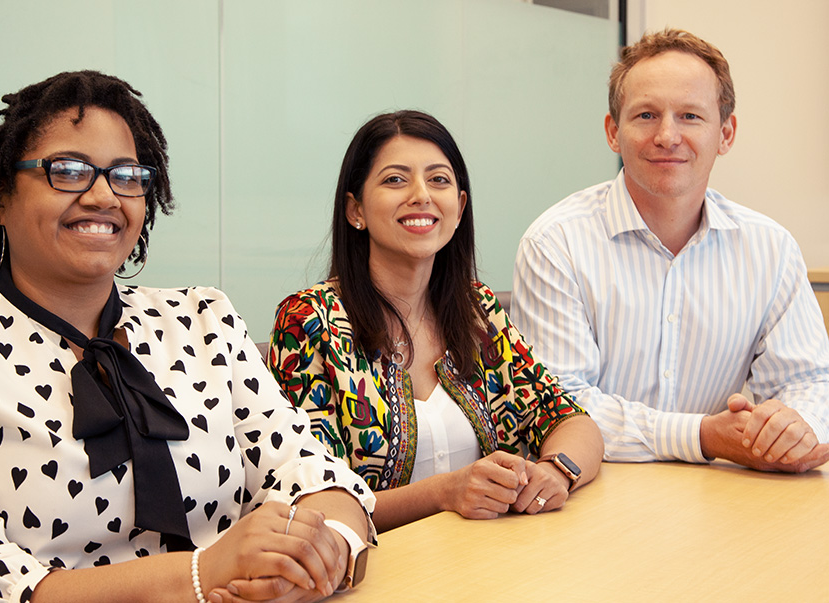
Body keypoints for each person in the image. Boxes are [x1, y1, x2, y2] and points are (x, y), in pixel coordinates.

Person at [0, 71, 375, 603]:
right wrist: (201, 575)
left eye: (126, 175)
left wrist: (318, 561)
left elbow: (315, 474)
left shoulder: (203, 318)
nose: (103, 195)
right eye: (68, 171)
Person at [268, 110, 603, 533]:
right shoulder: (309, 321)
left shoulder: (477, 309)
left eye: (439, 180)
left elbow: (571, 420)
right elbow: (312, 501)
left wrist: (556, 471)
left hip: (488, 560)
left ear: (459, 207)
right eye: (395, 180)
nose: (421, 195)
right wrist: (444, 492)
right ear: (356, 210)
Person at [511, 28, 829, 473]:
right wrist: (701, 436)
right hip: (589, 495)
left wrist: (796, 427)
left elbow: (809, 381)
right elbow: (562, 405)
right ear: (612, 131)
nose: (667, 135)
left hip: (720, 498)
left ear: (726, 133)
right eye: (645, 115)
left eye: (690, 116)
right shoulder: (556, 243)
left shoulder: (770, 247)